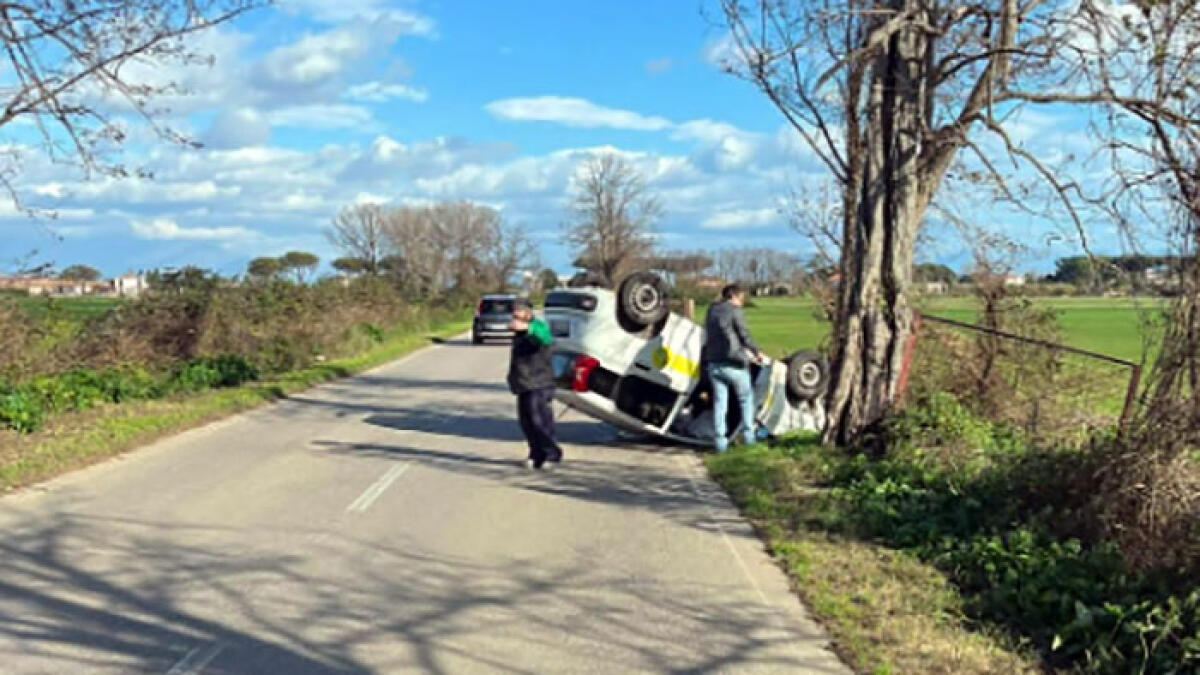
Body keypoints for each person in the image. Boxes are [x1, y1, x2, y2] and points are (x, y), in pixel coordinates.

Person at [701, 283, 767, 453]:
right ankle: (749, 439)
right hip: (734, 362)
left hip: (714, 362)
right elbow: (744, 335)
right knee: (746, 400)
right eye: (741, 297)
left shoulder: (712, 310)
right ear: (734, 296)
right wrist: (757, 352)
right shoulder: (735, 311)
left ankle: (720, 444)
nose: (742, 301)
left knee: (720, 404)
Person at [506, 299, 563, 470]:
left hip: (540, 383)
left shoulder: (538, 326)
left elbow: (544, 338)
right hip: (524, 383)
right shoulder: (519, 334)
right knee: (527, 422)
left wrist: (528, 328)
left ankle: (551, 454)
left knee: (539, 420)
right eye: (514, 311)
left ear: (528, 313)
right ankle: (536, 454)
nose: (515, 314)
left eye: (518, 311)